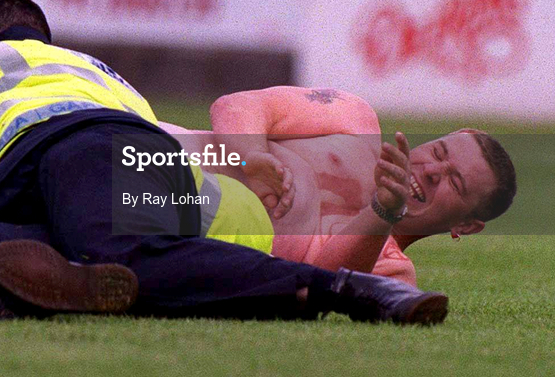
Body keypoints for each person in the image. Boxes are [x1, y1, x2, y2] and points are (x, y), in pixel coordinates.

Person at [0, 0, 451, 324]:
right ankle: (55, 284)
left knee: (93, 244)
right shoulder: (101, 69)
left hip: (56, 149)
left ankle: (341, 291)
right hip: (146, 167)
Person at [161, 86, 517, 286]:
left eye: (454, 182)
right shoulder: (353, 119)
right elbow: (237, 104)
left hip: (166, 223)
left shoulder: (390, 270)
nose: (434, 170)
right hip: (149, 140)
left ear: (465, 226)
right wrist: (250, 157)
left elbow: (320, 283)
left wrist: (383, 212)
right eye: (438, 151)